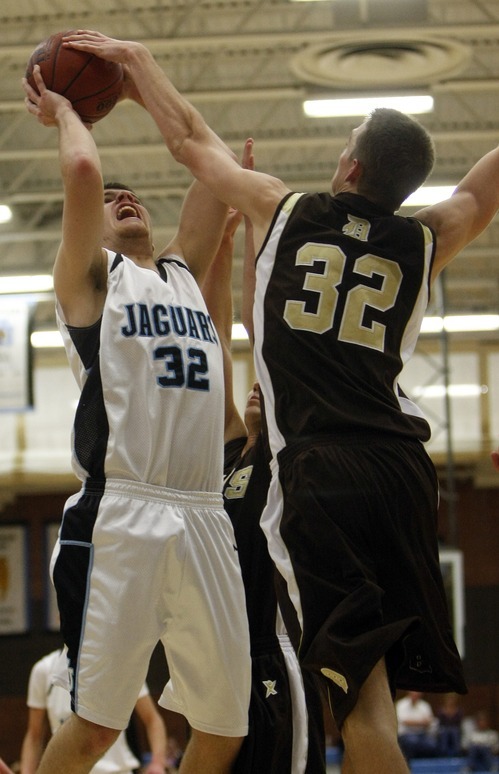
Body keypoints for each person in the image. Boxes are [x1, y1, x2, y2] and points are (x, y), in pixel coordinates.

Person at [55, 29, 499, 774]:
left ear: (349, 164)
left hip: (319, 473)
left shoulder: (286, 213)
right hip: (400, 468)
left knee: (360, 707)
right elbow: (480, 192)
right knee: (369, 693)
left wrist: (138, 67)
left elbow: (194, 142)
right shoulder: (424, 239)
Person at [21, 56, 251, 774]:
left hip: (205, 511)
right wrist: (66, 112)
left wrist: (141, 74)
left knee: (223, 727)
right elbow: (85, 176)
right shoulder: (91, 283)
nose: (122, 195)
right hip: (122, 513)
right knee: (93, 729)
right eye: (113, 198)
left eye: (134, 195)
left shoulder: (181, 274)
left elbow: (212, 164)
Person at [201, 164, 326, 773]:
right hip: (224, 656)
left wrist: (259, 226)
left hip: (278, 651)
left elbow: (261, 327)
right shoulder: (230, 454)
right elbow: (219, 343)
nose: (254, 392)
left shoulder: (288, 452)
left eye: (264, 390)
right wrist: (220, 246)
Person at [20, 648, 168, 774]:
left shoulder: (119, 662)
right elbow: (34, 735)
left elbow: (152, 720)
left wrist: (158, 763)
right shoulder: (43, 670)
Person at [396, 691, 437, 761]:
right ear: (409, 693)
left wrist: (414, 722)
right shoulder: (401, 704)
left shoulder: (425, 705)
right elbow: (404, 721)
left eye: (417, 693)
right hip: (406, 734)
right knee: (412, 742)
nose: (415, 695)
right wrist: (421, 722)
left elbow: (430, 721)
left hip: (422, 734)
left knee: (432, 744)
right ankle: (409, 765)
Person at [435, 693, 463, 758]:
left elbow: (459, 723)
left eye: (452, 699)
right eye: (449, 699)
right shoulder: (441, 711)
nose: (451, 701)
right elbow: (440, 723)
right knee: (445, 732)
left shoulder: (459, 711)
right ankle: (443, 752)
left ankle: (457, 752)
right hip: (444, 729)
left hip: (455, 730)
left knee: (454, 731)